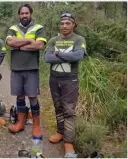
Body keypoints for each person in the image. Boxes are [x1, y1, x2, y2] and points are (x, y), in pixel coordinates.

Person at [45, 13, 87, 157]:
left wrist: (57, 54)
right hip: (54, 79)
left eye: (67, 23)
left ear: (73, 25)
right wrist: (63, 57)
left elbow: (77, 56)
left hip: (70, 80)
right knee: (58, 108)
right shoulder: (53, 40)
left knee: (68, 110)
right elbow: (47, 58)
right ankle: (60, 132)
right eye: (62, 23)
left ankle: (69, 143)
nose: (64, 26)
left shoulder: (79, 39)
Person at [6, 4, 47, 138]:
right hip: (16, 68)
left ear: (31, 14)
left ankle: (36, 126)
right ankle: (20, 123)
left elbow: (39, 45)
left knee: (33, 97)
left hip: (31, 68)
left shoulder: (38, 28)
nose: (24, 15)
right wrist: (29, 41)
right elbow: (10, 43)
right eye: (22, 13)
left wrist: (20, 45)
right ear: (19, 15)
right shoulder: (13, 28)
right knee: (19, 96)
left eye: (26, 13)